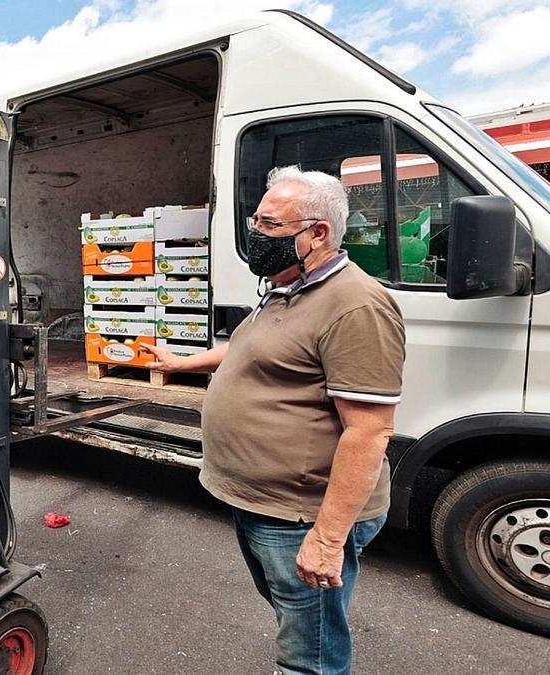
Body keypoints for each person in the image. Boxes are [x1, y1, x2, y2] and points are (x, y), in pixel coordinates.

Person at [144, 166, 405, 674]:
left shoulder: (356, 306)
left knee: (310, 651)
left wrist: (327, 541)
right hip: (262, 504)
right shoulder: (286, 286)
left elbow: (369, 429)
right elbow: (249, 349)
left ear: (318, 233)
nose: (255, 235)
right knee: (296, 616)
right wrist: (181, 363)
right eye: (255, 221)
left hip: (300, 513)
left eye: (270, 225)